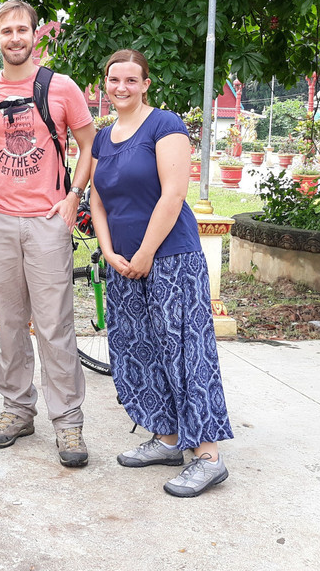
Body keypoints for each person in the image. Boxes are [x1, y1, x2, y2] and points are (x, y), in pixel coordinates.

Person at [89, 49, 233, 497]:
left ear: (146, 83)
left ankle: (208, 455)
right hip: (124, 262)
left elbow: (173, 195)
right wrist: (108, 250)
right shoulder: (102, 137)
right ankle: (168, 438)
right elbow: (96, 198)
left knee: (185, 351)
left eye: (132, 80)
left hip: (170, 257)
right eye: (115, 80)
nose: (122, 88)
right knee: (139, 348)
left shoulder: (165, 125)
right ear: (105, 84)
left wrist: (147, 251)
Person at [0, 0, 96, 468]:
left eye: (23, 29)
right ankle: (17, 409)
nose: (15, 38)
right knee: (11, 322)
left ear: (36, 34)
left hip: (47, 221)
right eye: (6, 31)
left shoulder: (61, 88)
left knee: (55, 324)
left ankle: (68, 422)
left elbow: (89, 144)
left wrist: (73, 196)